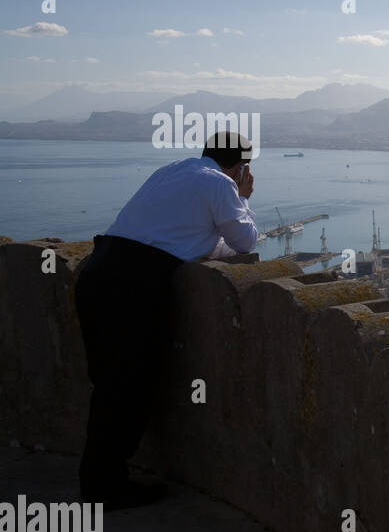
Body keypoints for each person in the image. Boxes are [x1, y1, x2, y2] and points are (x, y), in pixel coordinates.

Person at [75, 131, 258, 509]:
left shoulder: (173, 170)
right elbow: (246, 242)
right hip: (135, 286)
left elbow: (195, 238)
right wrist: (242, 197)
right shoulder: (223, 185)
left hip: (99, 270)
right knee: (128, 386)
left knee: (109, 383)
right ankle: (105, 487)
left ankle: (98, 480)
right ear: (241, 167)